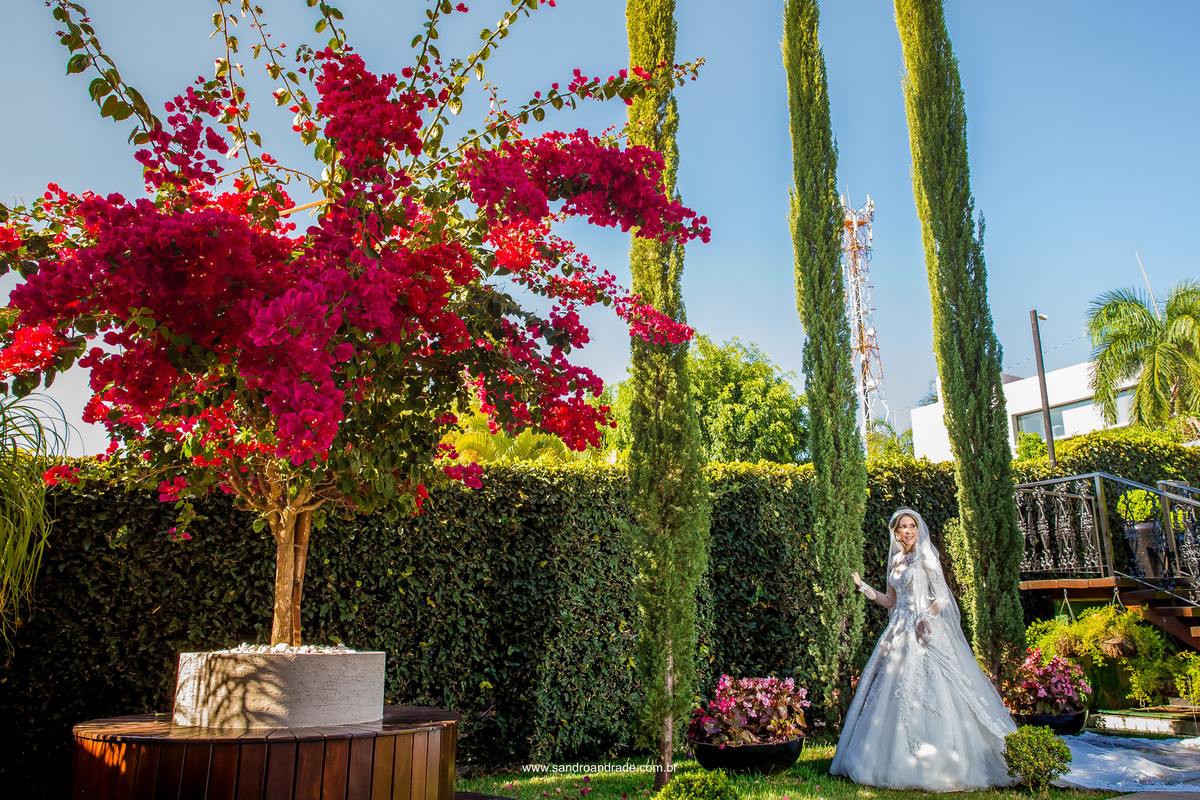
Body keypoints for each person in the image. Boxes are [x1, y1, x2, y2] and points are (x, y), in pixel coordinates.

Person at [830, 508, 1017, 791]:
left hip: (923, 628)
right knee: (891, 691)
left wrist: (925, 617)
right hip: (898, 630)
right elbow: (891, 601)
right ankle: (888, 760)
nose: (908, 531)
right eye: (903, 527)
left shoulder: (926, 557)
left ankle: (943, 760)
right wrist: (863, 588)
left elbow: (942, 597)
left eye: (912, 526)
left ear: (918, 529)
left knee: (938, 689)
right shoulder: (896, 560)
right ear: (895, 532)